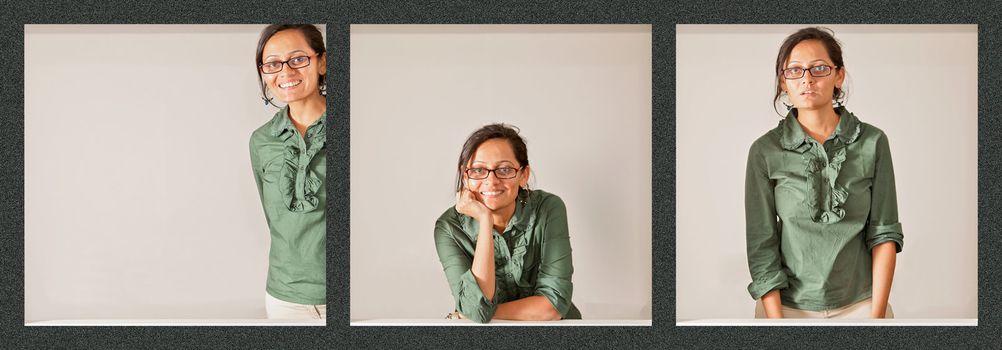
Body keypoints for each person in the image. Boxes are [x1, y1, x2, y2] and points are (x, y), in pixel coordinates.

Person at [745, 27, 904, 319]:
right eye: (794, 70)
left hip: (862, 305)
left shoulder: (873, 142)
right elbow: (761, 243)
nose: (806, 79)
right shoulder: (764, 150)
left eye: (819, 68)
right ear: (783, 81)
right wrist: (776, 322)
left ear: (838, 75)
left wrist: (876, 317)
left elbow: (884, 232)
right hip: (785, 308)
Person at [434, 124, 582, 323]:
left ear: (523, 175)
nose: (491, 181)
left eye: (504, 170)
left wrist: (475, 312)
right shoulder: (449, 228)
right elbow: (475, 309)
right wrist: (485, 221)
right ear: (465, 176)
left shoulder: (548, 208)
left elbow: (552, 308)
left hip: (556, 336)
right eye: (478, 170)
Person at [248, 24, 327, 319]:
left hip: (347, 294)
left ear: (322, 61)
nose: (285, 72)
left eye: (297, 59)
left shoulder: (352, 127)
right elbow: (275, 220)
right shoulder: (261, 140)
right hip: (284, 298)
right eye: (272, 64)